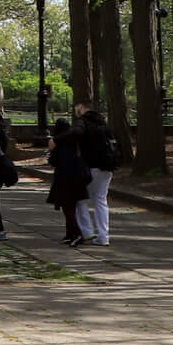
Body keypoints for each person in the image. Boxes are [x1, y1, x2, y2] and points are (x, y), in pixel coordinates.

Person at [46, 116, 92, 246]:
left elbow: (54, 161)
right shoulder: (74, 142)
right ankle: (70, 233)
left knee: (68, 207)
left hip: (64, 178)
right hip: (77, 177)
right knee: (71, 206)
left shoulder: (58, 143)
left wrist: (51, 151)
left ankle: (76, 234)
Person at [75, 104, 116, 246]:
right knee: (101, 200)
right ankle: (104, 236)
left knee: (80, 199)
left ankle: (87, 231)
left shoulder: (83, 122)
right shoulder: (103, 122)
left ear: (80, 107)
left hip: (90, 167)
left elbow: (75, 136)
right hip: (107, 166)